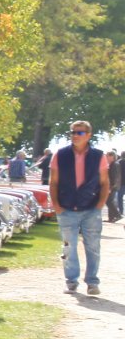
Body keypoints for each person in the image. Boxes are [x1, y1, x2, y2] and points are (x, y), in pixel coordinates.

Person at [49, 120, 108, 295]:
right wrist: (56, 205)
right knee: (68, 247)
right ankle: (71, 281)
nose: (75, 135)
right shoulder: (60, 155)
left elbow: (105, 183)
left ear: (88, 135)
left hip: (91, 209)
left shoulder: (98, 156)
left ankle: (92, 282)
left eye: (79, 132)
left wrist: (100, 205)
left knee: (93, 247)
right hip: (66, 209)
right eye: (73, 132)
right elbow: (53, 182)